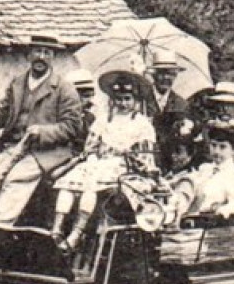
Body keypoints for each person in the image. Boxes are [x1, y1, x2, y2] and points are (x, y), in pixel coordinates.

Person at [0, 34, 84, 223]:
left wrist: (43, 132)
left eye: (47, 52)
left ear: (52, 57)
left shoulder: (64, 88)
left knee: (15, 179)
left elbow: (72, 127)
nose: (41, 57)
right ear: (29, 55)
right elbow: (1, 118)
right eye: (37, 51)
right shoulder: (17, 83)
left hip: (46, 152)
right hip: (13, 147)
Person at [51, 70, 156, 252]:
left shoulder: (142, 124)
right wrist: (92, 157)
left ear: (135, 101)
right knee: (68, 184)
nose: (122, 103)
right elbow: (90, 147)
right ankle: (56, 229)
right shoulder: (103, 121)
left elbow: (146, 158)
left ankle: (76, 234)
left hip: (123, 168)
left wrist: (131, 156)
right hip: (98, 163)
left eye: (127, 99)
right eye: (118, 98)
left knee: (90, 188)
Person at [187, 120, 234, 218]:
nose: (216, 151)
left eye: (222, 147)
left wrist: (220, 210)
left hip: (219, 228)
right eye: (213, 145)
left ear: (233, 150)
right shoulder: (205, 170)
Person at [147, 48, 195, 172]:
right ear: (153, 74)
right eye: (162, 73)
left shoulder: (181, 104)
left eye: (171, 73)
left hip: (170, 164)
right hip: (145, 158)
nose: (166, 77)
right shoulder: (141, 99)